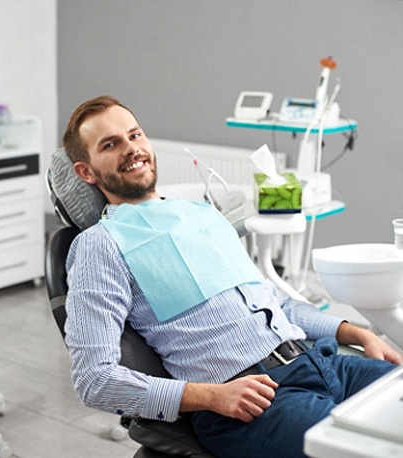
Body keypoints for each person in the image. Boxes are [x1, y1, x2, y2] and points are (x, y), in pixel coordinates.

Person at [61, 95, 402, 458]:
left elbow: (278, 302)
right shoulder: (99, 246)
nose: (131, 149)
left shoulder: (203, 214)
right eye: (111, 144)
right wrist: (211, 396)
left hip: (321, 361)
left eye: (135, 135)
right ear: (86, 171)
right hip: (252, 402)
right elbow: (94, 380)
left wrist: (358, 332)